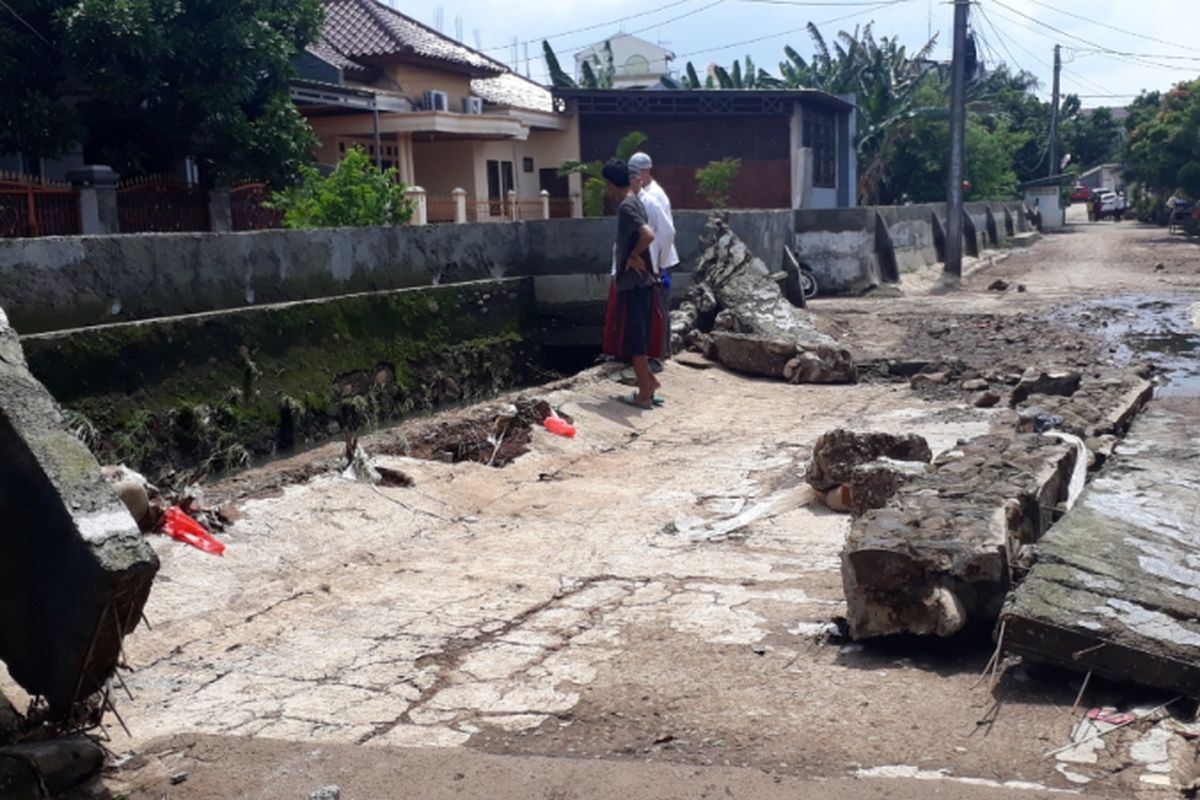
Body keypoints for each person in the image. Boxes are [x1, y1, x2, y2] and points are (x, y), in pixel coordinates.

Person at [600, 158, 663, 410]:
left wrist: (634, 255)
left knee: (635, 342)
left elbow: (648, 234)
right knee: (639, 338)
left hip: (634, 285)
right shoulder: (636, 199)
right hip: (643, 283)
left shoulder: (626, 206)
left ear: (611, 183)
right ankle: (649, 382)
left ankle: (645, 394)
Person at [628, 152, 679, 369]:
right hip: (654, 258)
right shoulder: (643, 195)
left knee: (656, 308)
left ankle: (657, 356)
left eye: (635, 174)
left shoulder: (654, 196)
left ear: (645, 172)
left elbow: (666, 232)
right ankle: (662, 351)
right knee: (656, 307)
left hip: (657, 259)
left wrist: (659, 263)